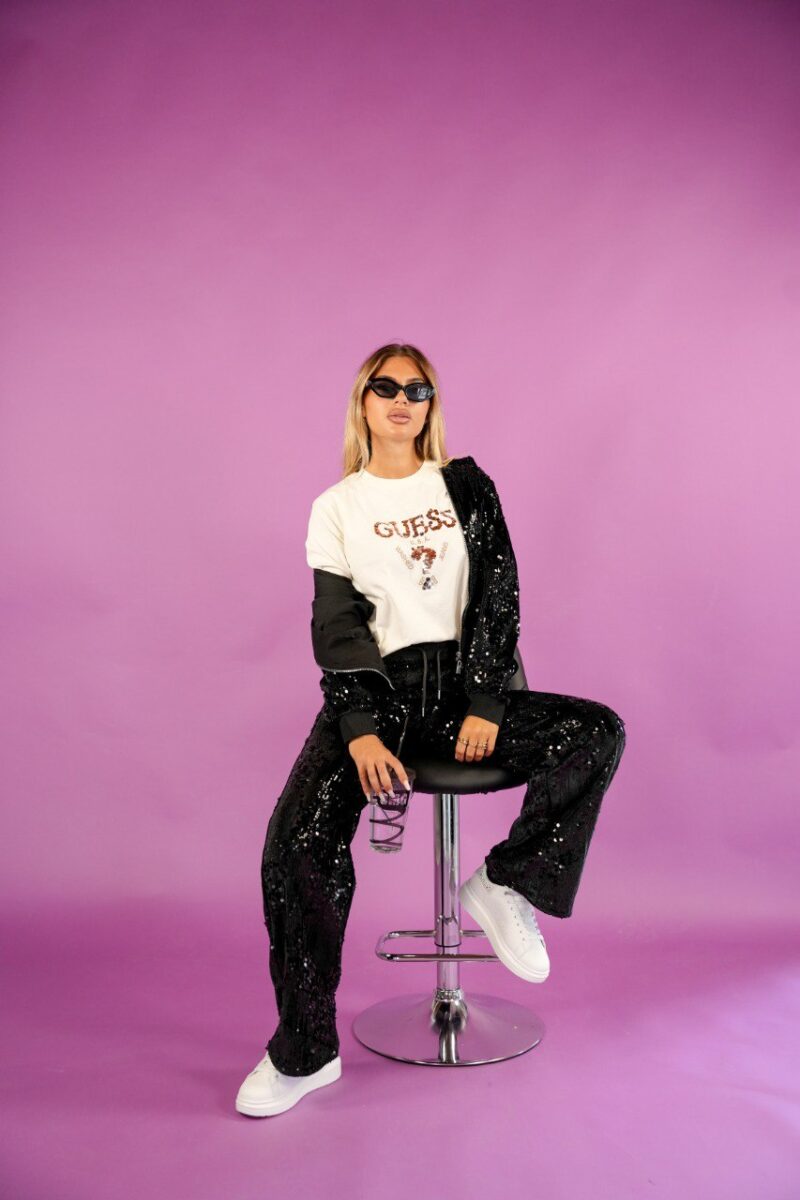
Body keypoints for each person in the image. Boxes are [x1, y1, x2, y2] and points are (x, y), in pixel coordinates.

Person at [236, 343, 626, 1117]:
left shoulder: (466, 487)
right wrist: (358, 728)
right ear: (363, 400)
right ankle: (305, 1053)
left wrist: (486, 701)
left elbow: (499, 595)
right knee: (295, 844)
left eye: (417, 389)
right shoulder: (337, 506)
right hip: (378, 692)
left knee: (595, 732)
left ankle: (506, 881)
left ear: (430, 405)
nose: (401, 400)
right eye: (385, 387)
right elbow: (338, 624)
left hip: (462, 688)